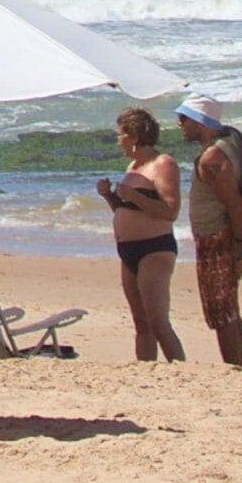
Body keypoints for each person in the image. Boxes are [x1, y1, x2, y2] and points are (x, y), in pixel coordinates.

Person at [101, 104, 186, 362]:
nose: (118, 142)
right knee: (141, 324)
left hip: (154, 248)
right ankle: (144, 370)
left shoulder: (163, 164)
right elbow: (125, 209)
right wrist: (109, 197)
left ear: (135, 137)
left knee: (157, 321)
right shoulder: (133, 167)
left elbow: (170, 210)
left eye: (121, 135)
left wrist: (134, 196)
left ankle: (181, 371)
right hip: (128, 250)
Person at [178, 97, 242, 368]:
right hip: (220, 238)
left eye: (185, 119)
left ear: (201, 122)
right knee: (229, 312)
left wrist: (237, 250)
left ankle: (235, 370)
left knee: (221, 314)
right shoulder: (230, 143)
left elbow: (236, 207)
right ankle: (241, 367)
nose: (180, 125)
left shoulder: (213, 158)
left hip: (217, 239)